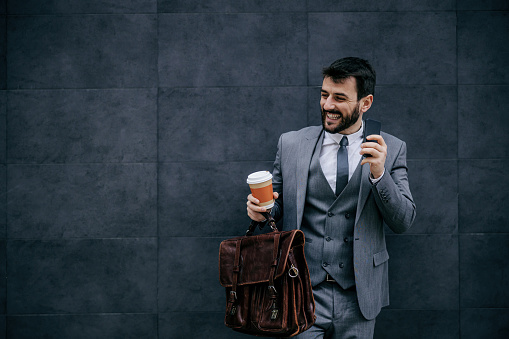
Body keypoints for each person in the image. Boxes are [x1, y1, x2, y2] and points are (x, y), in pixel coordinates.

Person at [246, 57, 416, 338]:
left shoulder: (392, 148)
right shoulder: (291, 144)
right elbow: (275, 208)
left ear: (365, 102)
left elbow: (403, 221)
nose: (328, 105)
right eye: (324, 95)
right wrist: (260, 210)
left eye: (339, 98)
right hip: (300, 289)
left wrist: (379, 173)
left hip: (359, 295)